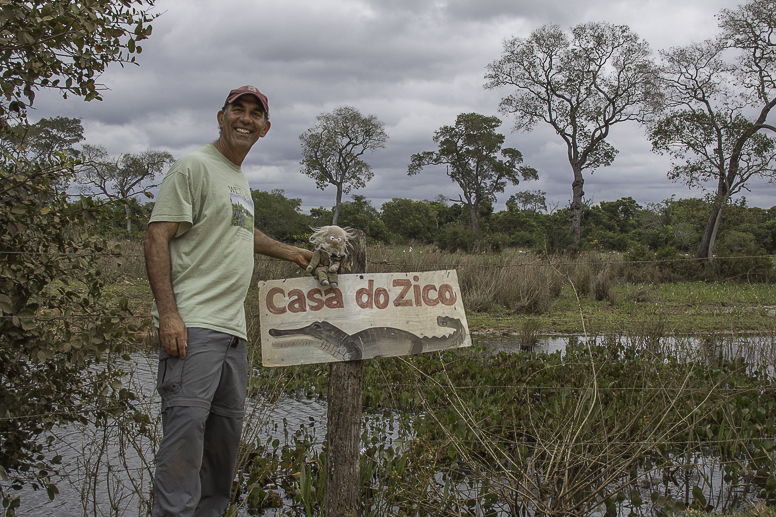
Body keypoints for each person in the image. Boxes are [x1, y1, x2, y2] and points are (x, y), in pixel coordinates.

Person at [143, 85, 312, 516]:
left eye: (256, 114)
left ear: (265, 129)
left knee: (221, 452)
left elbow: (242, 230)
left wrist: (291, 252)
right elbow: (156, 235)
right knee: (182, 449)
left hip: (233, 334)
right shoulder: (194, 166)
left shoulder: (237, 178)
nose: (246, 118)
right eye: (239, 109)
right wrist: (169, 315)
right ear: (221, 116)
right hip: (194, 329)